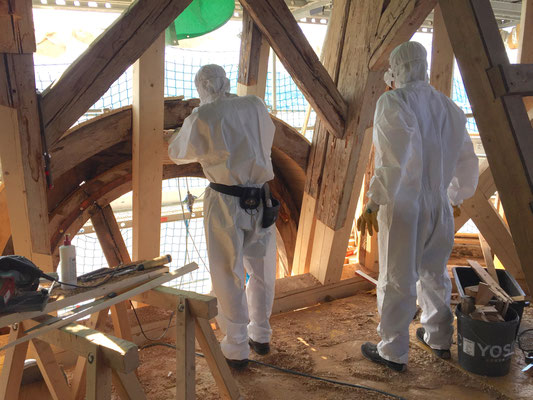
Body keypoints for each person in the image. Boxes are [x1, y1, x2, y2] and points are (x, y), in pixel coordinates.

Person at [357, 41, 479, 372]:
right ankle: (438, 337)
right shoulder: (449, 107)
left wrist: (373, 201)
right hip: (439, 203)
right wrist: (454, 195)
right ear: (423, 67)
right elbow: (467, 159)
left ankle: (393, 350)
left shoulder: (392, 101)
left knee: (398, 276)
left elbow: (393, 159)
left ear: (397, 71)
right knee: (435, 272)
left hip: (404, 204)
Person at [168, 64, 277, 370]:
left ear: (201, 88)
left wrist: (184, 126)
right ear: (227, 82)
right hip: (261, 196)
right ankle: (262, 334)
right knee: (262, 269)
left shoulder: (202, 116)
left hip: (226, 201)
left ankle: (236, 346)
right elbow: (267, 137)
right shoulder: (254, 104)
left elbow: (177, 153)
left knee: (227, 273)